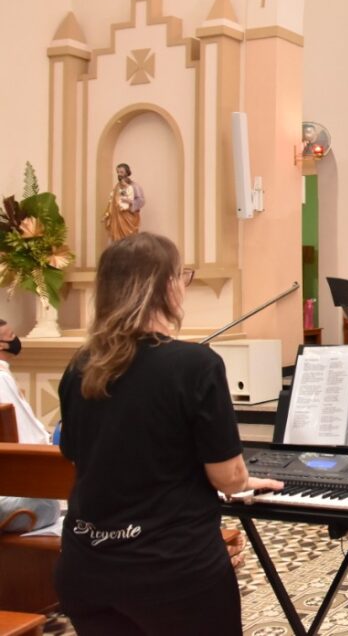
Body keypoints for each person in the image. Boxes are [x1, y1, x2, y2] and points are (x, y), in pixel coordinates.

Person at [55, 233, 283, 635]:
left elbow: (75, 454)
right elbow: (226, 476)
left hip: (86, 566)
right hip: (171, 570)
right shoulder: (195, 365)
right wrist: (244, 480)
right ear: (165, 287)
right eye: (182, 277)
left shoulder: (81, 368)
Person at [0, 321, 61, 533]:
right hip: (11, 486)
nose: (15, 339)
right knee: (48, 505)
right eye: (11, 335)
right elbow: (25, 437)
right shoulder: (1, 379)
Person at [103, 163, 145, 243]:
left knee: (129, 242)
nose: (119, 174)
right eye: (118, 172)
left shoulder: (134, 186)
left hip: (129, 218)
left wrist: (130, 202)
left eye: (121, 172)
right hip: (117, 218)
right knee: (116, 242)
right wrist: (108, 214)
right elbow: (112, 201)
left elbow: (141, 200)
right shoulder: (117, 187)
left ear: (127, 173)